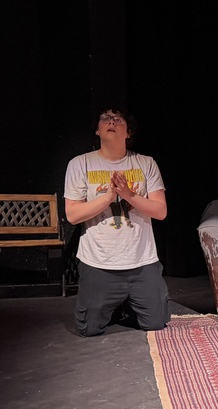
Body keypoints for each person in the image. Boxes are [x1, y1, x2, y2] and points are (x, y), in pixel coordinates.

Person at [64, 107, 170, 337]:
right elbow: (72, 215)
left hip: (141, 262)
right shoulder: (80, 164)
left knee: (156, 322)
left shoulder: (145, 163)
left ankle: (124, 302)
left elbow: (161, 211)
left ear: (128, 132)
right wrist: (110, 196)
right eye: (105, 118)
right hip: (100, 262)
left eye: (117, 119)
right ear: (97, 130)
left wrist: (129, 195)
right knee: (88, 329)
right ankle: (114, 302)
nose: (110, 121)